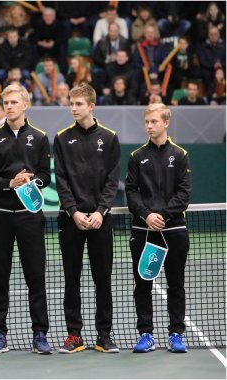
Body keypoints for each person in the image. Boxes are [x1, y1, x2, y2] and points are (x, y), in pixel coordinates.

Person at [0, 83, 52, 355]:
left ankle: (40, 334)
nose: (8, 106)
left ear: (25, 105)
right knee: (0, 276)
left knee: (36, 276)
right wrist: (9, 183)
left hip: (30, 216)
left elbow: (46, 175)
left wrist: (33, 180)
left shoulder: (41, 137)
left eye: (13, 102)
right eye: (5, 102)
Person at [54, 82, 121, 354]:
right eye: (71, 103)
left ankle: (104, 335)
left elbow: (113, 179)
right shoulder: (61, 138)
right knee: (72, 278)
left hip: (100, 221)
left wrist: (100, 211)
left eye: (79, 104)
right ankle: (74, 334)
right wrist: (74, 211)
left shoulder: (110, 137)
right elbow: (60, 179)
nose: (73, 108)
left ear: (91, 106)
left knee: (102, 278)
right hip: (72, 221)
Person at [125, 103, 191, 354]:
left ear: (166, 123)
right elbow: (131, 191)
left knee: (176, 283)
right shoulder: (136, 157)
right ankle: (146, 334)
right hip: (144, 231)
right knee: (143, 283)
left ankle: (176, 334)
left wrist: (160, 215)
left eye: (154, 121)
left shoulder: (181, 154)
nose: (149, 126)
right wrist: (146, 215)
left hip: (174, 230)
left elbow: (183, 195)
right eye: (147, 122)